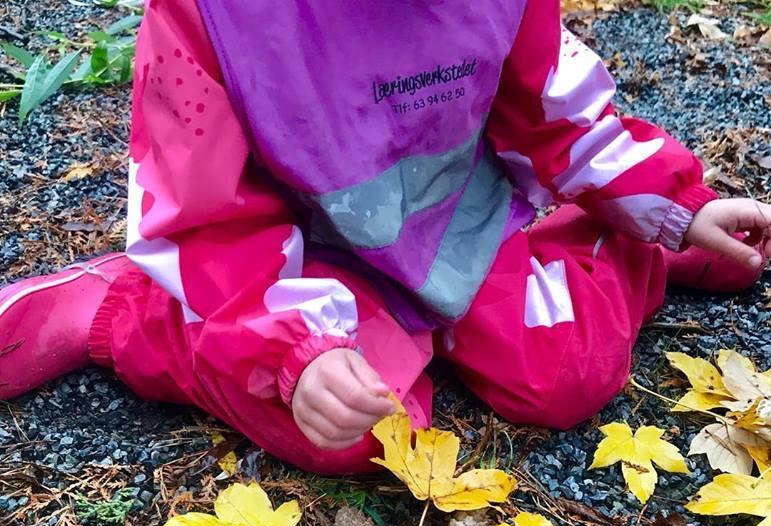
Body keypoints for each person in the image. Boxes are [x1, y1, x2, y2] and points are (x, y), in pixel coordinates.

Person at [1, 0, 769, 475]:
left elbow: (551, 110)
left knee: (564, 374)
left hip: (452, 230)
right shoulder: (216, 19)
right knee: (362, 437)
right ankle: (124, 310)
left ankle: (643, 244)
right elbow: (209, 219)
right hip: (299, 262)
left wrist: (671, 204)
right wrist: (294, 349)